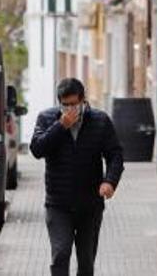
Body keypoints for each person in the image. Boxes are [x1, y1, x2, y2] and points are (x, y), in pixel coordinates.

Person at [30, 78, 124, 276]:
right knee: (61, 254)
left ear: (83, 101)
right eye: (65, 105)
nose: (70, 109)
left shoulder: (100, 121)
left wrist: (110, 181)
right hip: (58, 204)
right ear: (59, 102)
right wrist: (60, 126)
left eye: (74, 104)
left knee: (86, 260)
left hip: (90, 205)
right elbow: (37, 149)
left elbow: (115, 154)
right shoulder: (47, 118)